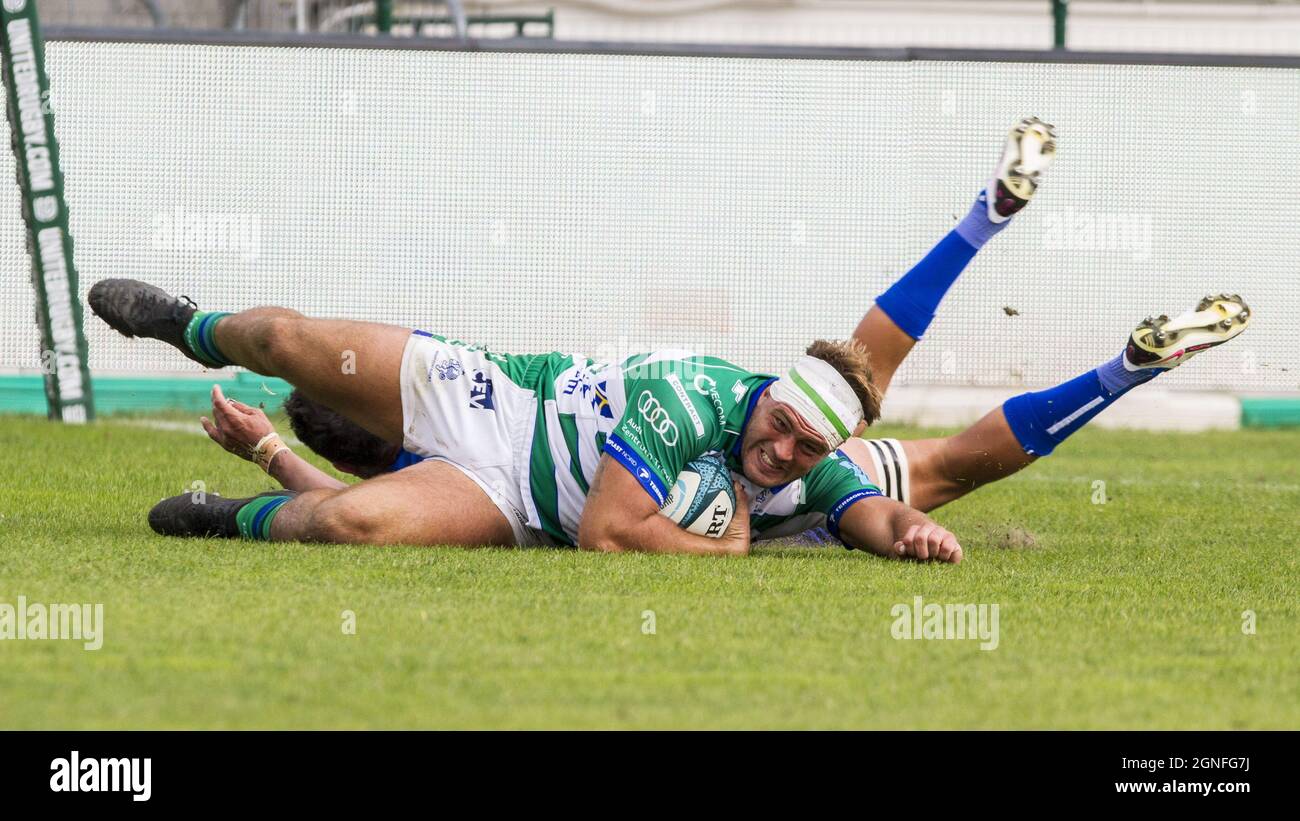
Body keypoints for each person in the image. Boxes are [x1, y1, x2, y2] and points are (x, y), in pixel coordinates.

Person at [192, 117, 1251, 557]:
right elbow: (865, 506)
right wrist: (896, 534)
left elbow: (345, 493)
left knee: (910, 435)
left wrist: (262, 463)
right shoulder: (438, 468)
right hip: (678, 459)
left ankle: (1008, 240)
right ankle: (1071, 310)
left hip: (656, 438)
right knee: (929, 458)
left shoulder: (715, 411)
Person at [90, 284, 962, 559]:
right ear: (769, 388)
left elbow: (871, 511)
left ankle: (222, 517)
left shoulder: (815, 459)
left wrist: (915, 531)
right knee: (288, 339)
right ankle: (192, 329)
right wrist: (724, 549)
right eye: (777, 426)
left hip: (512, 497)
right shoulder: (690, 397)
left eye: (806, 450)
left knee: (356, 522)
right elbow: (611, 536)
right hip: (501, 399)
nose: (780, 453)